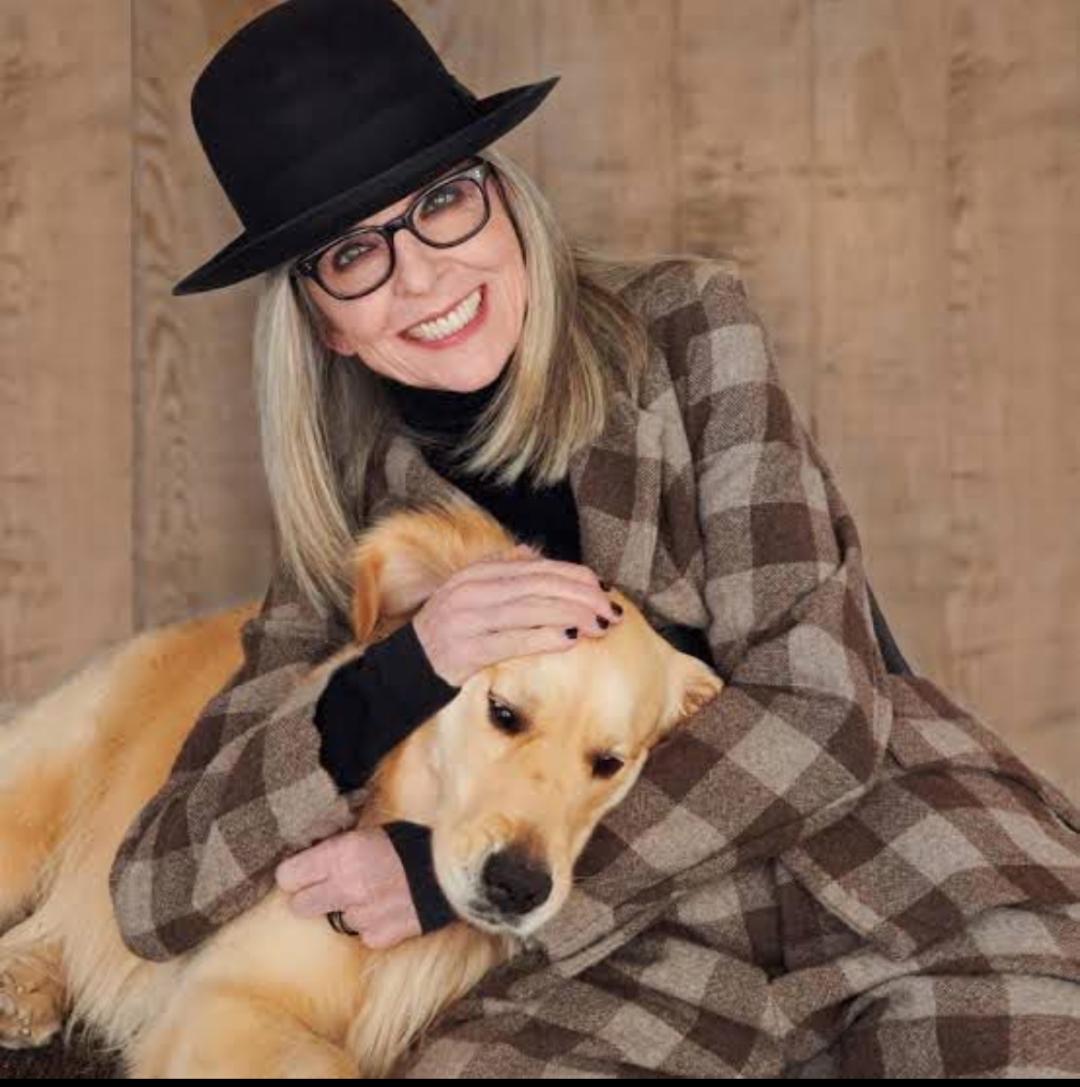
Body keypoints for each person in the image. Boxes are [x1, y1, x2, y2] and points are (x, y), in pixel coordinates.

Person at [109, 0, 1080, 1077]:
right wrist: (402, 669)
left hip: (893, 860)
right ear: (321, 320)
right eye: (352, 254)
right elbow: (157, 890)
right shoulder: (349, 510)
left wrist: (436, 876)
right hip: (609, 963)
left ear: (505, 202)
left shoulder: (691, 327)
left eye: (443, 201)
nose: (422, 276)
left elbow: (824, 706)